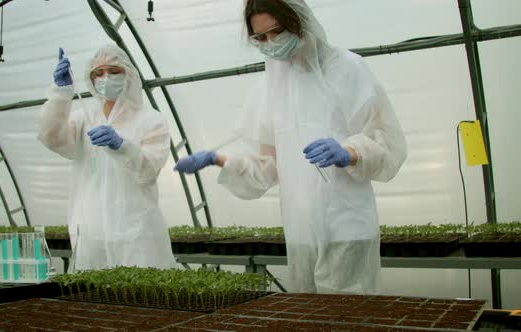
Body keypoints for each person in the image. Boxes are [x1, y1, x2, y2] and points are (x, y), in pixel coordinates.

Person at [173, 0, 407, 294]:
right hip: (300, 230)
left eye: (277, 31)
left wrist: (349, 152)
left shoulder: (348, 69)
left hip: (347, 222)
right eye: (261, 38)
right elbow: (268, 167)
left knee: (347, 313)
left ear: (300, 22)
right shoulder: (270, 87)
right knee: (309, 314)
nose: (270, 43)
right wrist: (218, 159)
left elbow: (387, 141)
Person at [37, 45, 176, 271]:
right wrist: (60, 95)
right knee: (95, 300)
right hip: (91, 231)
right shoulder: (84, 118)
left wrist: (122, 146)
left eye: (113, 71)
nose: (105, 78)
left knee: (141, 297)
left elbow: (148, 171)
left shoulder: (151, 120)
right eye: (98, 73)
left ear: (128, 74)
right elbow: (51, 137)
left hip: (136, 231)